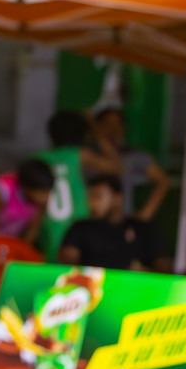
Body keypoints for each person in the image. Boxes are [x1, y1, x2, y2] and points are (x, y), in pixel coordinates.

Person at [37, 110, 119, 263]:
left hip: (48, 225)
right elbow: (116, 167)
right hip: (77, 225)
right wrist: (96, 130)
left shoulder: (39, 158)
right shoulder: (78, 154)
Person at [58, 174, 169, 271]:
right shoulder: (80, 228)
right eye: (89, 198)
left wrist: (145, 273)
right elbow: (66, 263)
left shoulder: (144, 230)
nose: (92, 203)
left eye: (97, 197)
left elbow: (165, 269)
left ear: (117, 198)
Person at [92, 106, 170, 221]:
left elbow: (162, 181)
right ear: (99, 126)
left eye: (117, 124)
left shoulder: (134, 156)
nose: (113, 128)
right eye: (107, 123)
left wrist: (144, 215)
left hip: (120, 222)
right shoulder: (87, 156)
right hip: (89, 222)